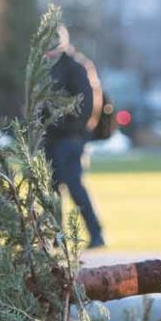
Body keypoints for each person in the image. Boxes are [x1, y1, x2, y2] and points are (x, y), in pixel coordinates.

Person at [43, 26, 105, 249]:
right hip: (50, 139)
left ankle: (96, 234)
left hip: (70, 139)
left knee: (75, 188)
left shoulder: (75, 68)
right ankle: (56, 238)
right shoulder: (46, 70)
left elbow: (87, 104)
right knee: (51, 192)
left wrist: (72, 129)